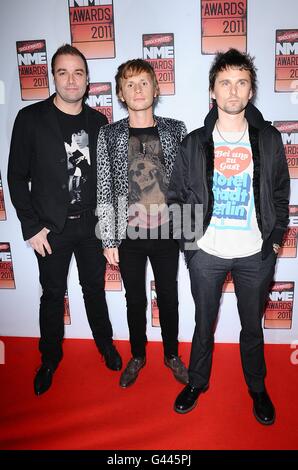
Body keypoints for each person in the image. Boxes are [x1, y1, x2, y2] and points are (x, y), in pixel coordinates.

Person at [168, 49, 290, 424]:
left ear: (251, 91)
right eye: (225, 82)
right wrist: (192, 248)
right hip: (207, 253)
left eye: (241, 82)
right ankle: (197, 382)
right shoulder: (193, 142)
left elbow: (281, 193)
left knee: (252, 327)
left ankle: (257, 387)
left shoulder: (269, 138)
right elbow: (175, 197)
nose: (233, 91)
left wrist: (273, 242)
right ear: (213, 91)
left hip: (255, 253)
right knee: (204, 325)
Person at [8, 44, 122, 396]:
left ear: (88, 81)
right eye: (63, 72)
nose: (71, 80)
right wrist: (31, 227)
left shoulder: (98, 122)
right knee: (53, 294)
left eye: (78, 73)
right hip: (51, 228)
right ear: (52, 77)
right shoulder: (30, 119)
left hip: (90, 226)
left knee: (94, 290)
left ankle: (104, 344)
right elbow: (15, 176)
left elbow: (105, 181)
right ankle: (49, 358)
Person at [96, 59, 188, 388]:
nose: (137, 90)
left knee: (169, 297)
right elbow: (104, 186)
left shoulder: (176, 129)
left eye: (144, 83)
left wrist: (189, 233)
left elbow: (185, 183)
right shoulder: (108, 134)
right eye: (130, 84)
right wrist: (108, 238)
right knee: (134, 300)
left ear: (156, 88)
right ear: (120, 93)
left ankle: (172, 354)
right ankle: (137, 355)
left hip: (167, 233)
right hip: (128, 236)